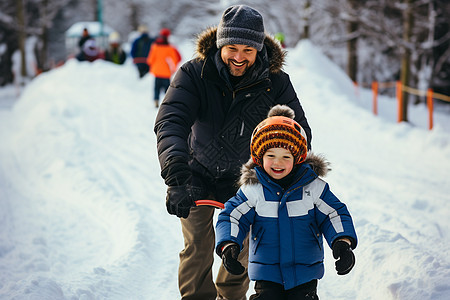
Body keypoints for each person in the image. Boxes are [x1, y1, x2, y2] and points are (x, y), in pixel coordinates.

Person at [154, 5, 312, 300]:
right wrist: (176, 174)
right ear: (220, 44)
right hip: (196, 170)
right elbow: (171, 120)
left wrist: (285, 172)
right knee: (197, 246)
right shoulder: (194, 73)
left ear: (259, 50)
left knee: (238, 247)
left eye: (248, 50)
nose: (239, 57)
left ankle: (230, 297)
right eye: (232, 48)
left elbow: (298, 131)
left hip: (246, 178)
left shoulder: (275, 82)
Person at [216, 105, 358, 299]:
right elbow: (232, 216)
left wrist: (342, 242)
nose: (278, 163)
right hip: (267, 274)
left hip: (305, 274)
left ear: (297, 158)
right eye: (271, 156)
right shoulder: (253, 190)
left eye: (286, 157)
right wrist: (229, 245)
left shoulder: (313, 188)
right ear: (259, 157)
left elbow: (334, 214)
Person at [147, 28, 181, 107]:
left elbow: (150, 60)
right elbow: (175, 60)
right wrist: (173, 69)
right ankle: (168, 102)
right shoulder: (170, 47)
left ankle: (156, 100)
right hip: (166, 72)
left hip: (157, 71)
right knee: (167, 89)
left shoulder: (155, 46)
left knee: (156, 88)